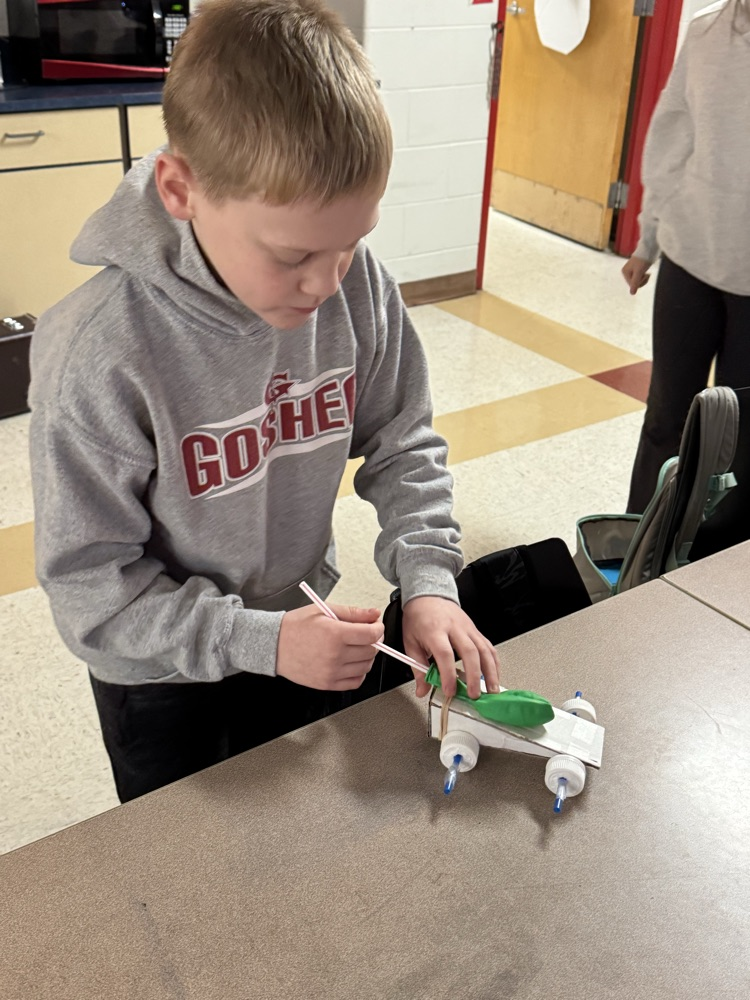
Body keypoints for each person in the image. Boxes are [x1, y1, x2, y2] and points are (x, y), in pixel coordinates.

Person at [28, 0, 500, 803]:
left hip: (300, 626)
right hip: (162, 677)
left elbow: (401, 438)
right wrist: (258, 640)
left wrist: (426, 578)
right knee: (186, 879)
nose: (326, 284)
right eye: (294, 255)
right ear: (181, 189)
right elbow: (89, 590)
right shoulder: (99, 355)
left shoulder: (355, 283)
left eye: (353, 241)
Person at [622, 0, 750, 513]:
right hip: (689, 258)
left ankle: (715, 569)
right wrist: (647, 241)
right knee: (665, 422)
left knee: (741, 441)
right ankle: (632, 550)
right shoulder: (705, 32)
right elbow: (674, 140)